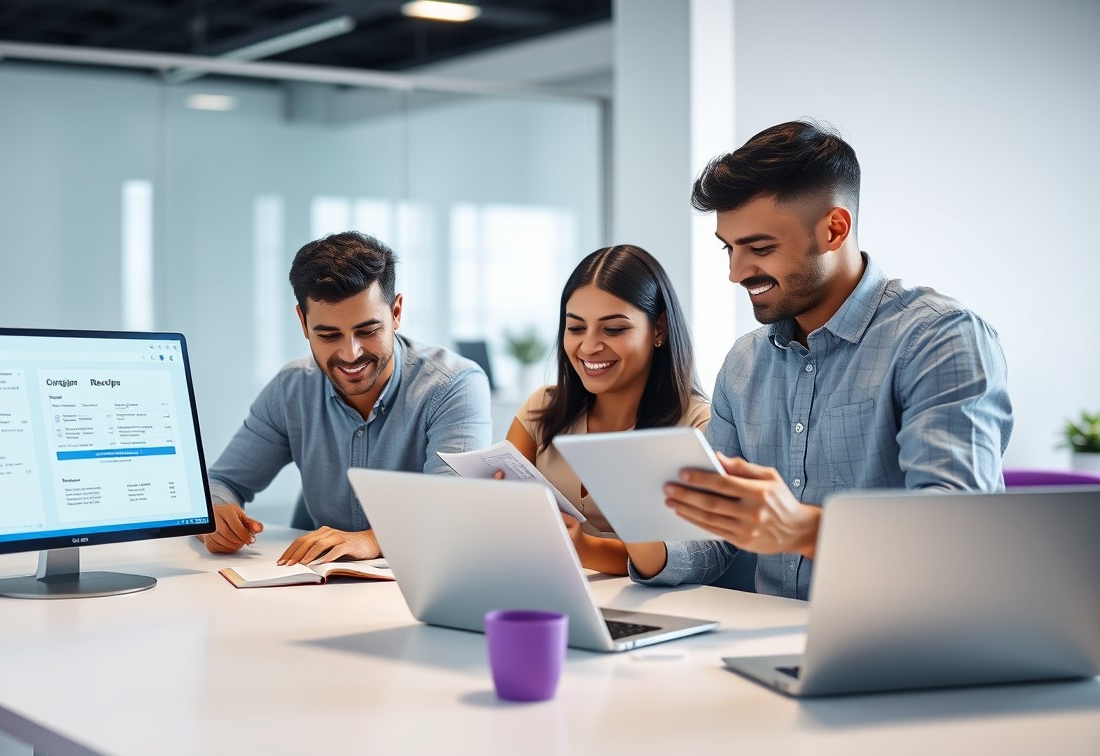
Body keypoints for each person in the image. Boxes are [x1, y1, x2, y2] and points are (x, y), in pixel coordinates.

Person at [635, 120, 1013, 598]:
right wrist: (641, 530)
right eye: (729, 249)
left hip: (910, 641)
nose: (735, 272)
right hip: (769, 643)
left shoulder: (939, 338)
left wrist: (801, 529)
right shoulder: (744, 363)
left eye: (760, 248)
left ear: (835, 229)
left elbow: (960, 536)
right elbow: (715, 535)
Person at [200, 231, 492, 566]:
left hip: (415, 584)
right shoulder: (291, 389)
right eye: (329, 335)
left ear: (396, 311)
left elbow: (454, 509)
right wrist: (215, 514)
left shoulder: (454, 385)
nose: (350, 354)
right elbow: (220, 482)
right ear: (303, 322)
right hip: (317, 588)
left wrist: (372, 540)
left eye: (367, 331)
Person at [503, 244, 710, 575]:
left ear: (659, 329)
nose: (588, 346)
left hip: (653, 608)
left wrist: (585, 548)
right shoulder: (542, 409)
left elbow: (689, 556)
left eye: (613, 329)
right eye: (575, 328)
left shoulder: (698, 426)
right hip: (544, 589)